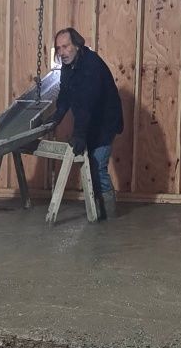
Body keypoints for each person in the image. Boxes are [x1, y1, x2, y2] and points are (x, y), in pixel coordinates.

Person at [45, 26, 123, 217]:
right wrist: (55, 118)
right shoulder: (68, 66)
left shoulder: (91, 65)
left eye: (66, 46)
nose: (62, 52)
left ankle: (109, 217)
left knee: (97, 165)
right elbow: (64, 95)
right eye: (59, 48)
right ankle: (97, 212)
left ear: (77, 46)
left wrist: (79, 134)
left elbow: (85, 103)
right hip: (89, 120)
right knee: (91, 165)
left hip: (105, 121)